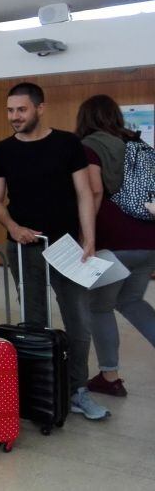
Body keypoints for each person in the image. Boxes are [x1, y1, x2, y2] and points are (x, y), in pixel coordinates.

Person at [0, 81, 108, 420]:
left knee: (78, 320)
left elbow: (85, 193)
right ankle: (40, 389)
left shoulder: (68, 144)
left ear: (40, 108)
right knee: (35, 322)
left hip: (68, 247)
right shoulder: (2, 150)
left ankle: (77, 389)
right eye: (10, 110)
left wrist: (89, 238)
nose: (14, 116)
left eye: (21, 109)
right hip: (25, 248)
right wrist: (12, 227)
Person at [75, 95, 155, 397]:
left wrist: (86, 237)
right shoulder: (140, 144)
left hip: (114, 241)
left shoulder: (90, 147)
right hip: (149, 239)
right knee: (132, 301)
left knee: (100, 307)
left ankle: (109, 377)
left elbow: (94, 191)